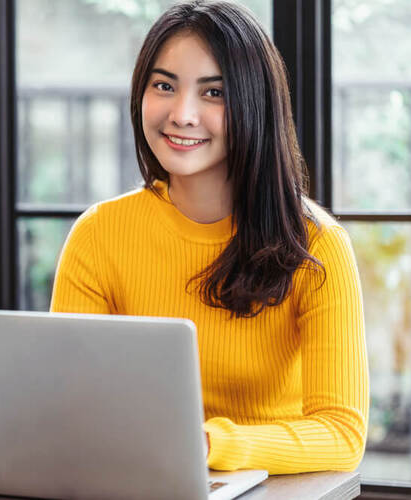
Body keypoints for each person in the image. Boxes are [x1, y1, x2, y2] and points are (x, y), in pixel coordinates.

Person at [50, 0, 368, 475]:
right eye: (164, 86)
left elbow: (341, 433)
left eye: (214, 93)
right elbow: (68, 403)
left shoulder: (317, 246)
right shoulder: (98, 233)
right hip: (136, 480)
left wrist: (205, 444)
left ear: (255, 105)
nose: (182, 114)